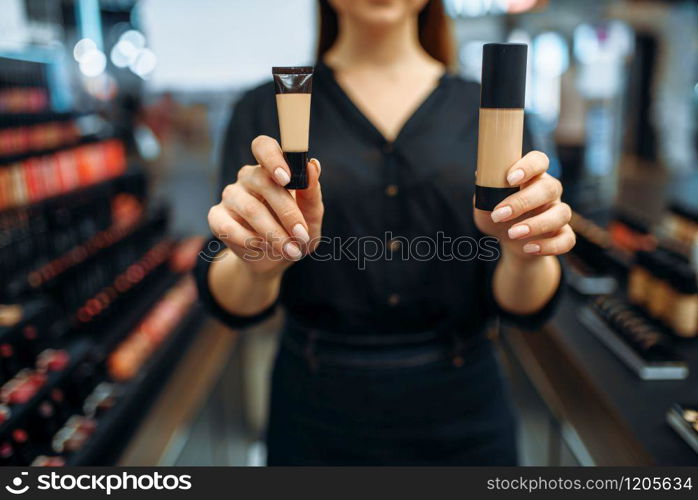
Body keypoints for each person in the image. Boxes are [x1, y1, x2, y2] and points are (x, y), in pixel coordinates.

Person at [196, 0, 574, 465]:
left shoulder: (493, 108)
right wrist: (258, 268)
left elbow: (526, 306)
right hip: (316, 414)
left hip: (464, 412)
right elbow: (230, 296)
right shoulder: (264, 109)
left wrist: (523, 254)